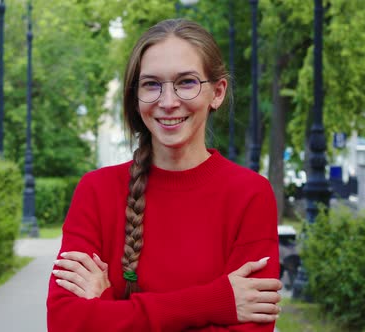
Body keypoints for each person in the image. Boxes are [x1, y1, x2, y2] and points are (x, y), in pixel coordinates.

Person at [47, 18, 282, 331]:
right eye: (151, 84)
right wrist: (213, 302)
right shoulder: (96, 192)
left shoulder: (250, 194)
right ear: (136, 96)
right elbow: (65, 323)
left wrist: (107, 307)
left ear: (217, 92)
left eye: (186, 82)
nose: (168, 102)